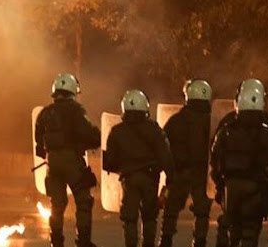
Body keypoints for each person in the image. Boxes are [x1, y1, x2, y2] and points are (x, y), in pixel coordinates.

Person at [211, 79, 268, 247]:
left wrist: (220, 185)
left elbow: (215, 158)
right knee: (254, 228)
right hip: (257, 186)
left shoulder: (226, 128)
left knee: (233, 227)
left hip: (230, 187)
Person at [34, 73, 101, 247]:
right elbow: (89, 134)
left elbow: (38, 140)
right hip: (72, 161)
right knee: (83, 201)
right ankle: (83, 241)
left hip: (52, 163)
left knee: (56, 204)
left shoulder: (45, 113)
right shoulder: (76, 111)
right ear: (73, 91)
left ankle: (56, 241)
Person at [103, 89, 175, 247]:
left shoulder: (117, 131)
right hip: (150, 178)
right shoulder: (154, 129)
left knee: (129, 219)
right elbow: (165, 155)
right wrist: (170, 178)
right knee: (149, 217)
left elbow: (110, 161)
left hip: (128, 178)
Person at [159, 79, 213, 247]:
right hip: (203, 173)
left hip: (179, 171)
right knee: (202, 210)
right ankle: (200, 240)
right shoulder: (213, 121)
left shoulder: (176, 120)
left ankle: (166, 239)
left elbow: (163, 146)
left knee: (171, 209)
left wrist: (168, 172)